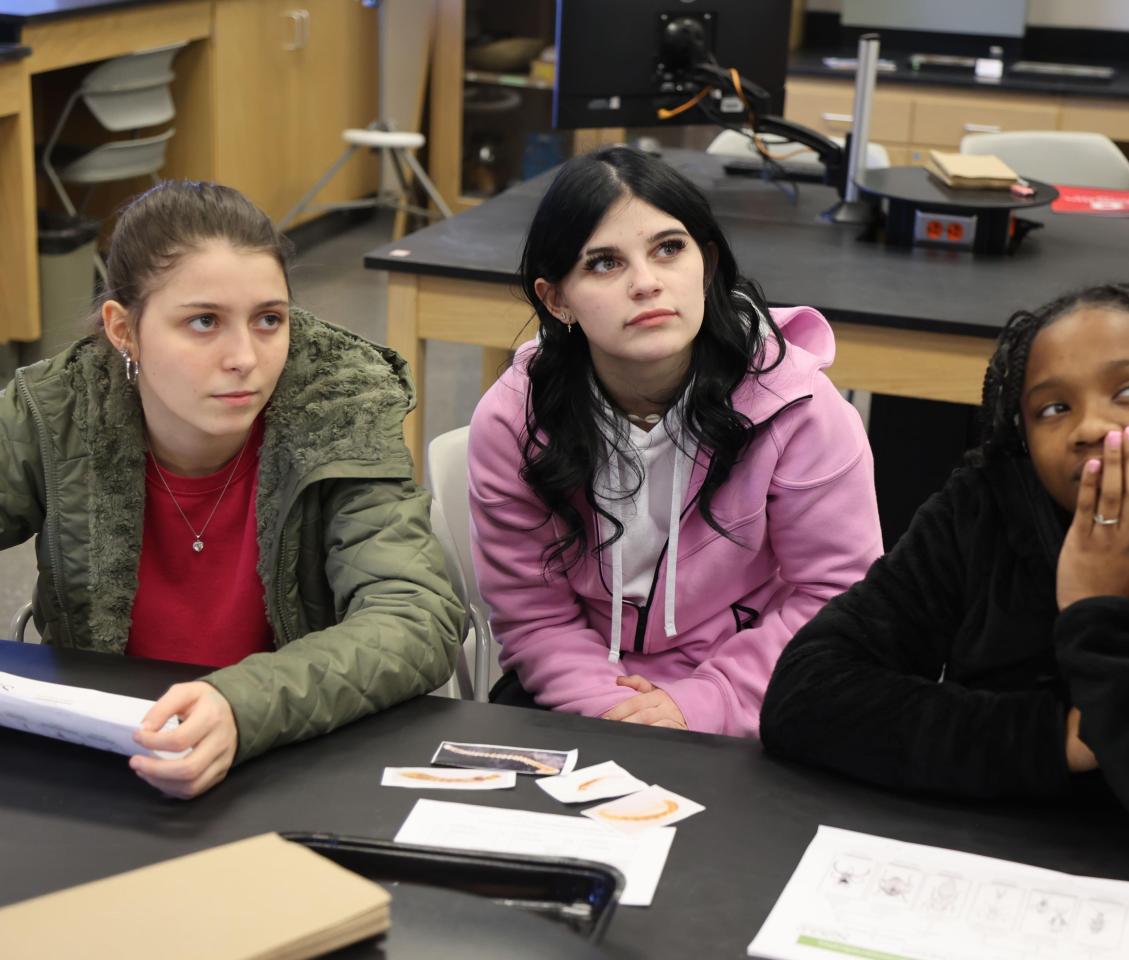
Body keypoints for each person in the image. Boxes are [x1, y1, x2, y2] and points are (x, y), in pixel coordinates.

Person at [760, 282, 1129, 913]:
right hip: (991, 881)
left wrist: (1096, 610)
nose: (1091, 427)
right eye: (1052, 409)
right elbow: (807, 696)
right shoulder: (988, 507)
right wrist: (1059, 738)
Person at [0, 181, 464, 799]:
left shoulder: (340, 404)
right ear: (123, 330)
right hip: (110, 763)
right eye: (203, 322)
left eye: (269, 319)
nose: (245, 356)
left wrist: (242, 705)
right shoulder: (55, 410)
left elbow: (416, 618)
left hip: (295, 754)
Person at [468, 147, 882, 737]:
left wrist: (702, 702)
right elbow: (535, 619)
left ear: (706, 265)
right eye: (604, 263)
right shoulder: (515, 423)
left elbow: (838, 595)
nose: (646, 284)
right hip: (580, 691)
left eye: (669, 249)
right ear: (557, 299)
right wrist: (617, 709)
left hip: (754, 688)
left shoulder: (800, 409)